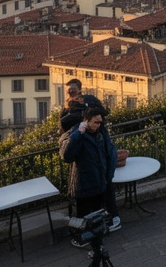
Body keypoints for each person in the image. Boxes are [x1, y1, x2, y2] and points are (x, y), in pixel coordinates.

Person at [59, 79, 119, 231]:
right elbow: (67, 147)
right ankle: (100, 225)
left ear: (79, 89)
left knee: (101, 192)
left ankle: (105, 222)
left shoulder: (90, 106)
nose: (70, 93)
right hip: (88, 166)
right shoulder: (69, 116)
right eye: (68, 90)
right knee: (92, 198)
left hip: (97, 168)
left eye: (72, 90)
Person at [60, 107, 118, 248]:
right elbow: (66, 156)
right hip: (83, 184)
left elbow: (109, 154)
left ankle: (93, 237)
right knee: (83, 216)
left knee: (96, 215)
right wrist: (78, 134)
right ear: (85, 121)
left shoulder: (101, 132)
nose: (98, 125)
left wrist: (107, 177)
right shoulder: (74, 134)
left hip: (99, 183)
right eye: (95, 122)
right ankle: (80, 239)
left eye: (100, 122)